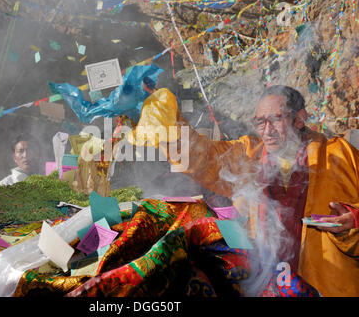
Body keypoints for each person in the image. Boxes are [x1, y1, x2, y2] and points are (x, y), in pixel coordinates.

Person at [135, 84, 359, 296]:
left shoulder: (341, 156)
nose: (267, 130)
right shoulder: (249, 155)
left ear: (300, 118)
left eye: (276, 119)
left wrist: (353, 222)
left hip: (328, 284)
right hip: (264, 285)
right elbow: (203, 158)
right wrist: (168, 122)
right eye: (261, 122)